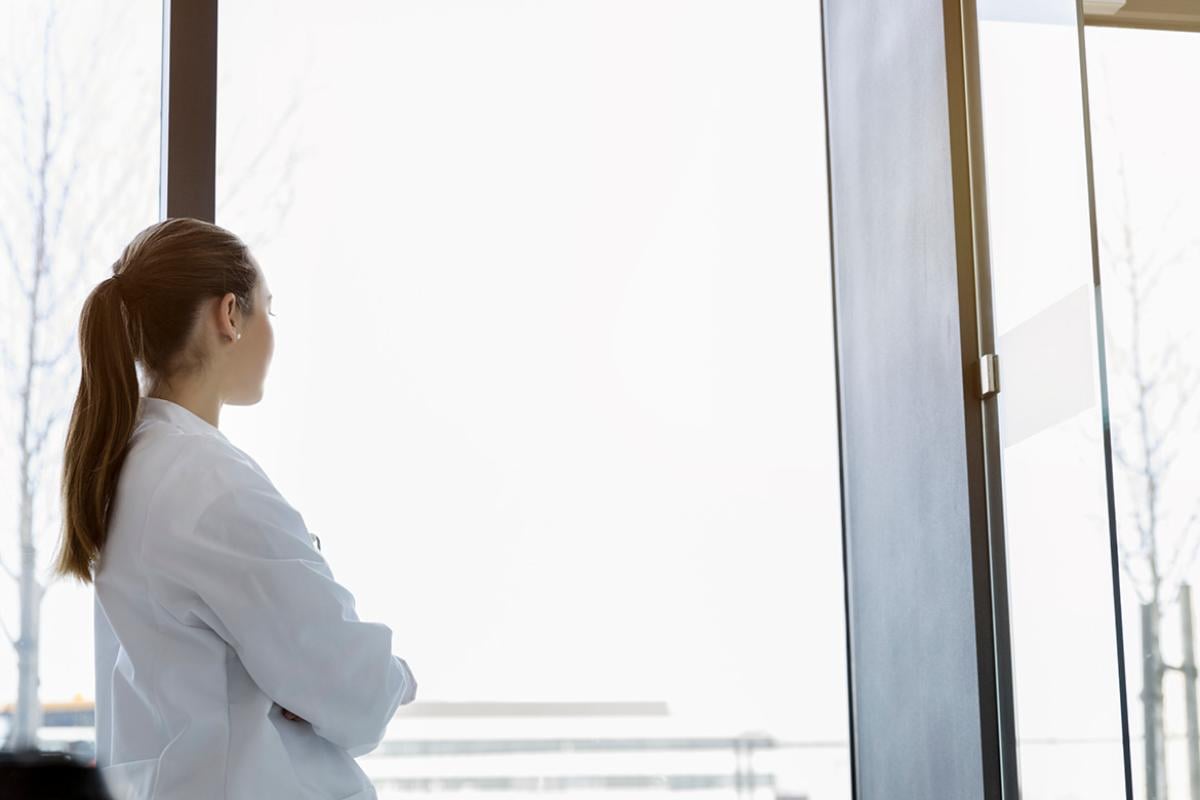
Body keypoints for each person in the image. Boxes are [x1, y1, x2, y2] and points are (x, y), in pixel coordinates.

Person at [52, 217, 417, 799]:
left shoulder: (135, 467)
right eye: (268, 308)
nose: (272, 328)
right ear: (230, 315)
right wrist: (395, 678)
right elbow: (356, 692)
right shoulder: (209, 485)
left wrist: (294, 683)